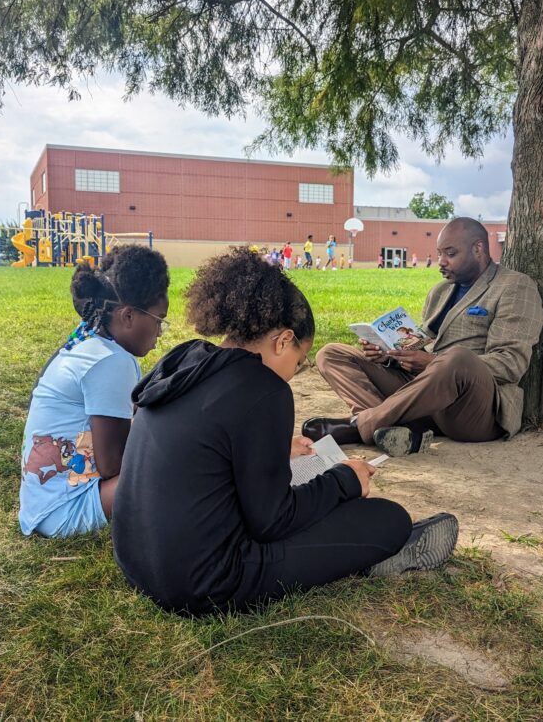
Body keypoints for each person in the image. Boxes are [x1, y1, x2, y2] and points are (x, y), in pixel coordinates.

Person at [112, 249, 459, 615]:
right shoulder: (264, 389)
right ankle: (379, 553)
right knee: (388, 519)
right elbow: (272, 521)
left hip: (137, 562)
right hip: (203, 582)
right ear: (282, 340)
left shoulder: (188, 360)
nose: (295, 371)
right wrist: (344, 481)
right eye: (298, 360)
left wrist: (275, 450)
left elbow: (209, 448)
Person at [303, 218, 543, 458]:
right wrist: (389, 356)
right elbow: (424, 342)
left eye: (450, 253)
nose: (441, 262)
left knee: (457, 358)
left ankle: (359, 426)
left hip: (474, 408)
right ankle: (397, 428)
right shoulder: (440, 291)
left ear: (478, 249)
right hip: (424, 393)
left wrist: (433, 362)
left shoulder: (514, 287)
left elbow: (511, 364)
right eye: (439, 253)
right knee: (332, 354)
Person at [19, 246, 170, 538]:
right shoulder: (111, 361)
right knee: (180, 463)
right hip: (67, 511)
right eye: (158, 319)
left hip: (45, 507)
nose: (160, 332)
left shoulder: (90, 343)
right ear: (127, 316)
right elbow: (113, 465)